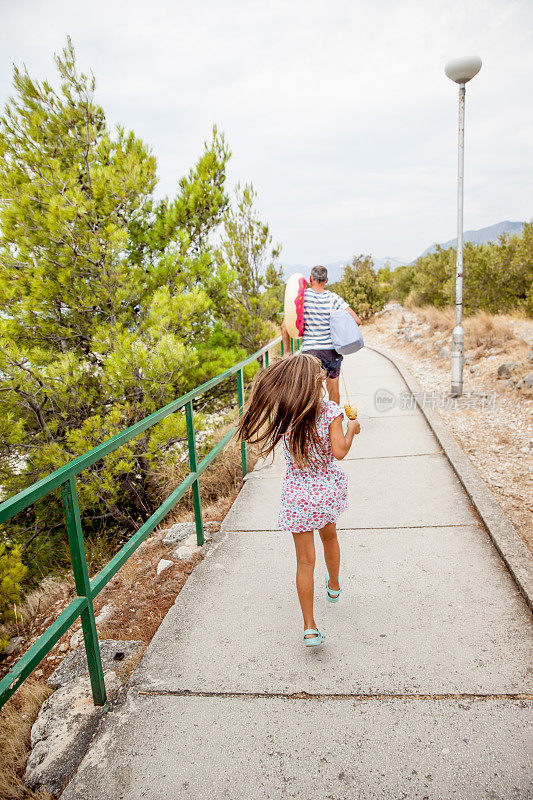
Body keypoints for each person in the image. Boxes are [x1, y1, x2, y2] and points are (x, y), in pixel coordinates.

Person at [237, 353, 360, 647]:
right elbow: (340, 451)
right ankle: (333, 585)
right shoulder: (331, 412)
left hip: (298, 495)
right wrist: (352, 429)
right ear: (316, 384)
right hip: (325, 491)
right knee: (329, 538)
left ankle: (309, 627)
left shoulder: (287, 414)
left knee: (304, 563)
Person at [281, 265, 362, 405]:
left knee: (312, 392)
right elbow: (356, 320)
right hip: (331, 352)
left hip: (310, 353)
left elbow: (284, 327)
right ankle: (334, 422)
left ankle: (314, 422)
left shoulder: (301, 298)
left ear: (310, 279)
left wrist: (287, 352)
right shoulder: (333, 298)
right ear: (326, 280)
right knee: (333, 390)